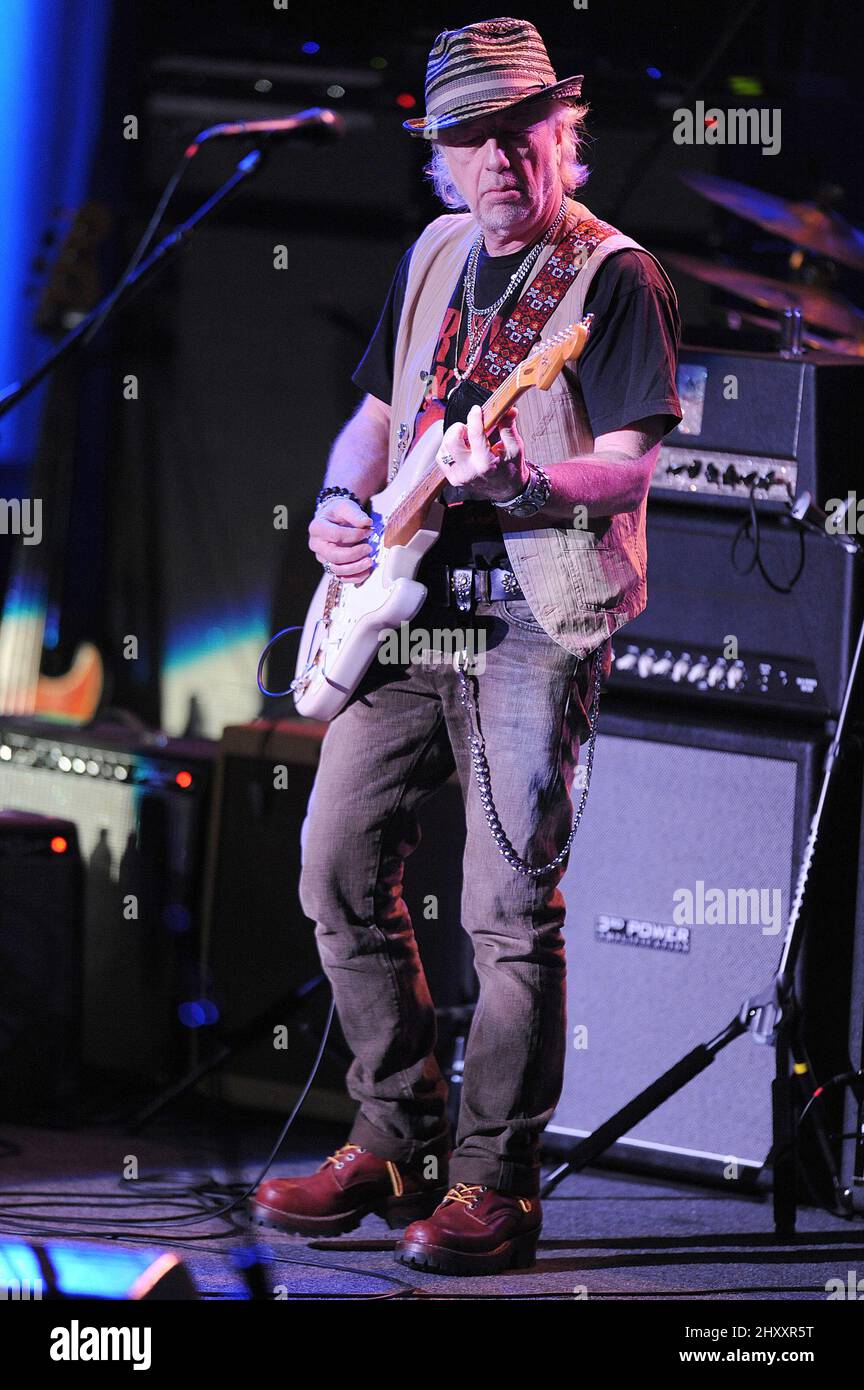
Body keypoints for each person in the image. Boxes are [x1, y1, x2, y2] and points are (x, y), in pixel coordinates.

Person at [251, 16, 682, 1276]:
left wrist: (526, 476)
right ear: (442, 156)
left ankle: (497, 1179)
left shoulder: (613, 278)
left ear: (564, 132)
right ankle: (395, 1133)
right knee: (333, 864)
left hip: (529, 616)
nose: (498, 160)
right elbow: (372, 424)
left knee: (506, 910)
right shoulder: (436, 250)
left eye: (519, 132)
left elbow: (631, 463)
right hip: (404, 601)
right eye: (471, 140)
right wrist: (341, 508)